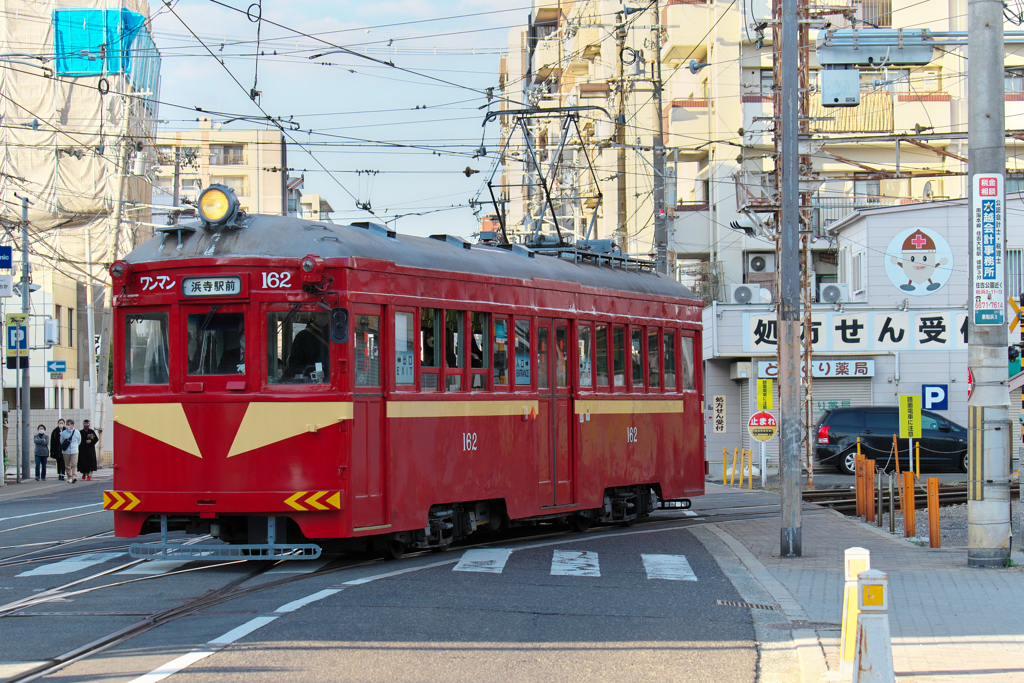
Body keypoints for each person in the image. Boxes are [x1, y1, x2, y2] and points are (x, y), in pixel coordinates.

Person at [61, 419, 81, 484]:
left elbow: (79, 441)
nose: (67, 426)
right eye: (67, 425)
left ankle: (74, 476)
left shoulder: (77, 432)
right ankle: (69, 477)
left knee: (74, 464)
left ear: (72, 425)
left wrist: (75, 446)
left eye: (69, 425)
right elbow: (61, 441)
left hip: (74, 451)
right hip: (66, 451)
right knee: (67, 465)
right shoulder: (63, 433)